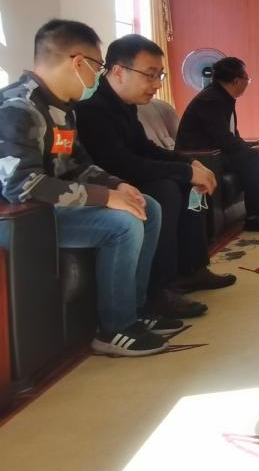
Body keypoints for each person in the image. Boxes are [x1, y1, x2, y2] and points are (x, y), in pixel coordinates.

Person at [0, 20, 175, 357]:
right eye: (97, 66)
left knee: (147, 206)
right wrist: (106, 198)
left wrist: (117, 185)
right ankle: (114, 328)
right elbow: (23, 186)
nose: (98, 76)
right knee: (122, 224)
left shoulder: (62, 109)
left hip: (53, 208)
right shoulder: (17, 109)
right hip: (26, 218)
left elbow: (78, 164)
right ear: (78, 62)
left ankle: (136, 310)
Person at [76, 35, 237, 321]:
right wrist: (185, 171)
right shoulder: (91, 109)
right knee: (165, 189)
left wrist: (189, 163)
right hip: (108, 182)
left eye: (159, 75)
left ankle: (192, 270)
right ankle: (157, 290)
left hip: (127, 175)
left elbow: (144, 148)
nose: (157, 84)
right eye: (150, 75)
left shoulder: (124, 104)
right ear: (118, 71)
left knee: (186, 183)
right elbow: (119, 163)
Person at [176, 57, 259, 233]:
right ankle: (254, 217)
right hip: (203, 157)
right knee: (252, 157)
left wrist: (249, 148)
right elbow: (222, 137)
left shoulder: (222, 96)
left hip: (216, 151)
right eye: (247, 79)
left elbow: (230, 135)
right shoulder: (211, 100)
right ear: (236, 81)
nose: (247, 83)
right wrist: (248, 151)